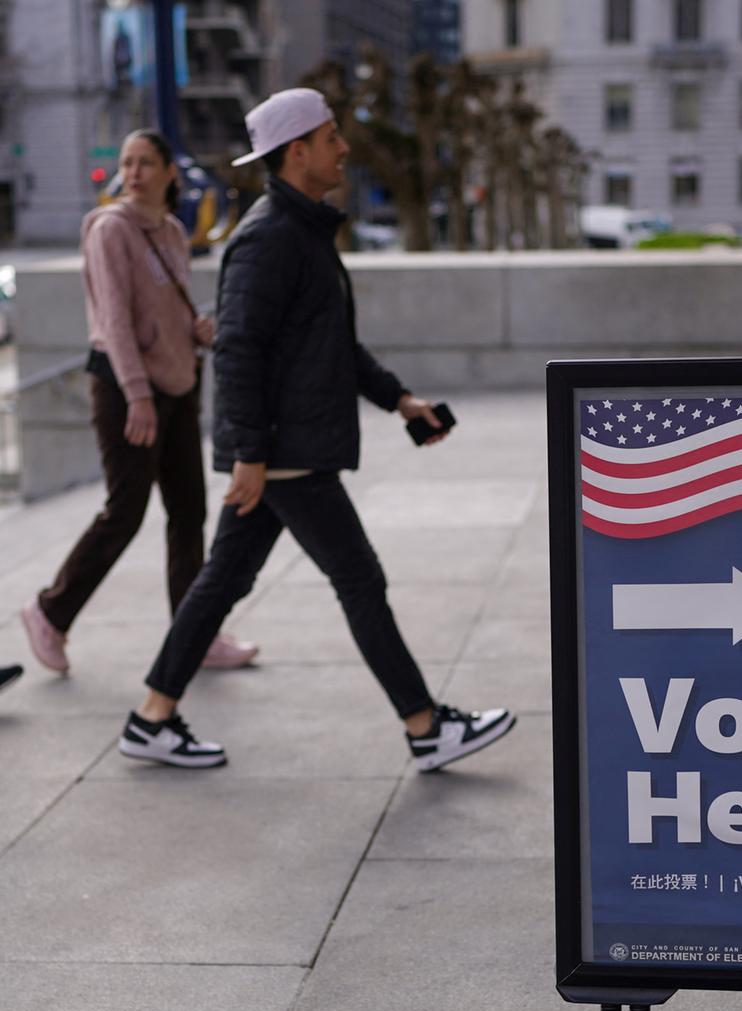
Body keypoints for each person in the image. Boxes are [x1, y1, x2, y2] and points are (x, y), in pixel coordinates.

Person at [117, 89, 515, 772]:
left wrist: (401, 401)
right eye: (332, 137)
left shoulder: (301, 232)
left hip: (279, 450)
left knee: (222, 581)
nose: (344, 148)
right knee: (359, 578)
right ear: (297, 151)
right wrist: (252, 453)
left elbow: (331, 347)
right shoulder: (269, 238)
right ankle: (425, 727)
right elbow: (238, 349)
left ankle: (152, 717)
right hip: (283, 452)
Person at [20, 129, 258, 675]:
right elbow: (114, 321)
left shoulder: (173, 232)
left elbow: (158, 307)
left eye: (145, 163)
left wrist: (193, 327)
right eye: (127, 163)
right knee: (125, 512)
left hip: (177, 384)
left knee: (190, 512)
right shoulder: (110, 231)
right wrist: (136, 396)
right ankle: (50, 612)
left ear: (169, 172)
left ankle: (194, 631)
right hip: (128, 390)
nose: (133, 173)